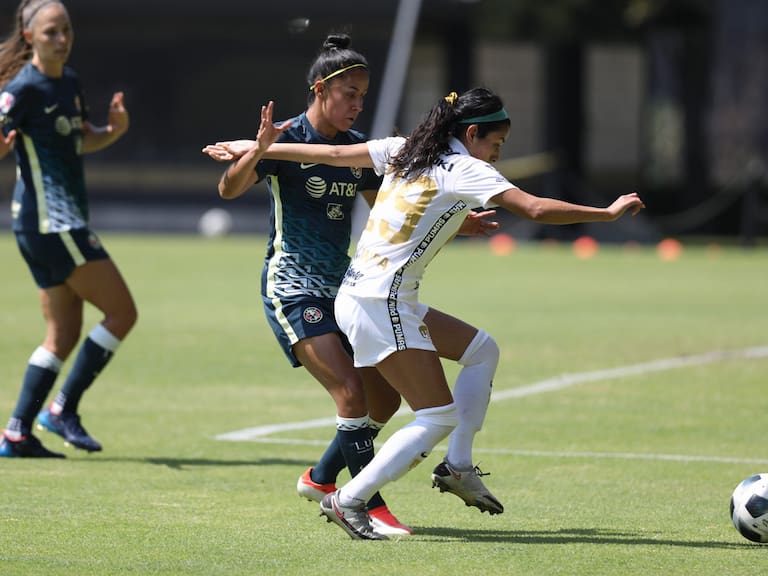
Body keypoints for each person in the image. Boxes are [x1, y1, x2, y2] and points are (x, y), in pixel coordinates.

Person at [226, 89, 646, 539]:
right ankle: (348, 500)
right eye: (496, 144)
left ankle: (458, 467)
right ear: (471, 134)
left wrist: (262, 146)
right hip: (380, 301)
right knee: (437, 416)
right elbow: (535, 208)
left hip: (365, 295)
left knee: (482, 350)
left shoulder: (403, 149)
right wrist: (607, 213)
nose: (497, 154)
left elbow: (331, 153)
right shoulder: (467, 168)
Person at [206, 33, 415, 536]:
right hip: (292, 284)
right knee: (349, 391)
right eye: (350, 94)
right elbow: (227, 189)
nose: (357, 104)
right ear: (320, 89)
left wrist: (454, 220)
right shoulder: (285, 138)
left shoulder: (354, 148)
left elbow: (384, 206)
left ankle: (322, 477)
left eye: (363, 95)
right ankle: (363, 503)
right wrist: (257, 151)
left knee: (384, 397)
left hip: (342, 288)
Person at [0, 0, 136, 458]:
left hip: (47, 226)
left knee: (62, 336)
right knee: (122, 313)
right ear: (29, 38)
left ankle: (17, 433)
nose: (62, 39)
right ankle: (61, 409)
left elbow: (81, 138)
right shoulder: (23, 88)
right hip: (52, 224)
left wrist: (112, 131)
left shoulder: (69, 82)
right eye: (52, 32)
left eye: (67, 30)